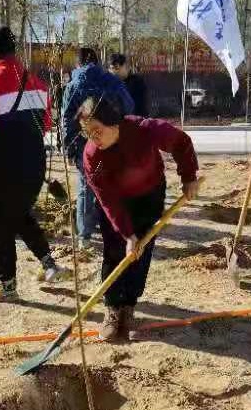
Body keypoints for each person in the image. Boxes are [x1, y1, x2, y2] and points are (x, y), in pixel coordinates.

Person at [78, 95, 199, 341]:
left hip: (148, 196)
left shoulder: (145, 130)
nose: (93, 138)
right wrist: (126, 233)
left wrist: (188, 177)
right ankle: (113, 309)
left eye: (97, 131)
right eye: (87, 133)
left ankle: (129, 307)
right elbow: (107, 199)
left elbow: (181, 142)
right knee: (114, 251)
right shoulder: (92, 155)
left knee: (141, 251)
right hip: (116, 202)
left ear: (113, 122)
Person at [0, 24, 70, 302]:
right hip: (35, 166)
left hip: (3, 170)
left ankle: (7, 285)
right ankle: (49, 265)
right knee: (20, 214)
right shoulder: (39, 84)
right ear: (14, 49)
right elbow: (46, 124)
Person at [61, 48, 135, 249]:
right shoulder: (113, 81)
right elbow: (129, 107)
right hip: (112, 140)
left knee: (86, 188)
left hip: (85, 144)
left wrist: (69, 148)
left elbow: (67, 120)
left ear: (78, 64)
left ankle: (84, 237)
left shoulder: (73, 85)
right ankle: (118, 231)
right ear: (97, 61)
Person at [109, 53, 149, 117]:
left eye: (116, 68)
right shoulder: (110, 84)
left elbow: (138, 108)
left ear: (124, 66)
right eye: (112, 68)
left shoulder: (137, 82)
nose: (114, 72)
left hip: (135, 119)